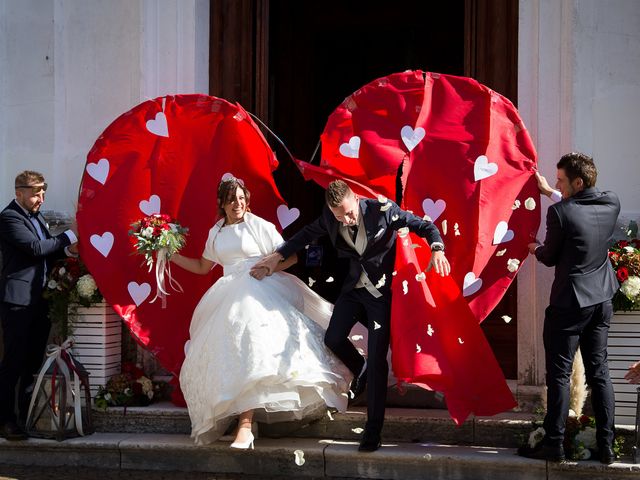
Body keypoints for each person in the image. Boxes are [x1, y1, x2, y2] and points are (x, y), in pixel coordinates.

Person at [256, 180, 449, 452]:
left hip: (380, 296)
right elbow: (304, 236)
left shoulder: (383, 211)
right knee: (333, 338)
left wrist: (437, 247)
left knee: (379, 359)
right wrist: (276, 256)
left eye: (348, 213)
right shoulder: (329, 218)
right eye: (339, 216)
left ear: (356, 199)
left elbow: (423, 225)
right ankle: (361, 367)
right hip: (353, 291)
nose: (345, 219)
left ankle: (373, 430)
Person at [171, 177, 351, 448]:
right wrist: (169, 254)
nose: (238, 204)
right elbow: (201, 266)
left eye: (242, 199)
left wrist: (268, 268)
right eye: (232, 200)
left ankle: (245, 424)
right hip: (226, 294)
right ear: (222, 203)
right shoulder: (216, 232)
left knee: (253, 348)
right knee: (230, 353)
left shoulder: (259, 226)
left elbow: (290, 256)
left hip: (259, 290)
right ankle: (242, 418)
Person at [520, 153, 620, 464]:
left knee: (559, 376)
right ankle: (606, 447)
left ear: (578, 182)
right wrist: (550, 190)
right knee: (600, 373)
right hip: (602, 299)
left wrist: (534, 248)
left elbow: (549, 256)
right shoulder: (611, 202)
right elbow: (580, 208)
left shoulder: (560, 214)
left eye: (562, 181)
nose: (559, 186)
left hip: (569, 305)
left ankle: (555, 446)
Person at [0, 171, 78, 440]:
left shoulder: (37, 217)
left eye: (43, 192)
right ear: (18, 192)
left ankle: (24, 417)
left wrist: (68, 251)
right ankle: (6, 420)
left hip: (40, 300)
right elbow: (34, 248)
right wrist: (70, 236)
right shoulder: (9, 217)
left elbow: (48, 249)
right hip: (18, 301)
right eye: (35, 193)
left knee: (32, 362)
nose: (40, 198)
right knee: (13, 361)